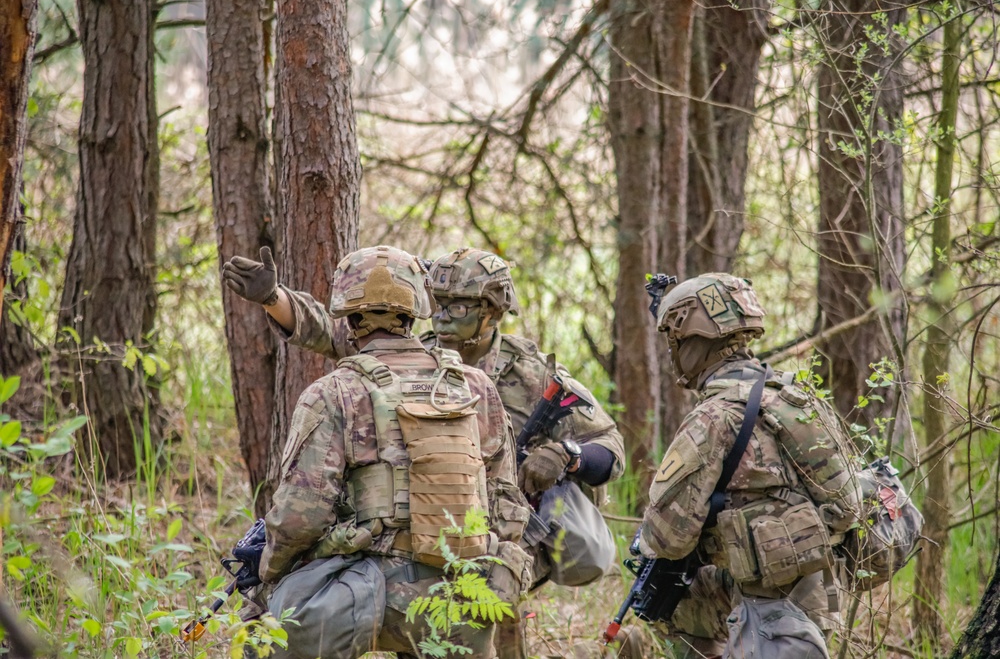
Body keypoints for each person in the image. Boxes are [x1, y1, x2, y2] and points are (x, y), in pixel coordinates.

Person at [224, 246, 626, 658]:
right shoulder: (430, 357)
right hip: (447, 564)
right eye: (440, 304)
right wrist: (275, 298)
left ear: (492, 310)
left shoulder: (531, 372)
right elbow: (333, 329)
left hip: (476, 550)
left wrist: (565, 454)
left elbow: (608, 447)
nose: (445, 315)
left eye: (459, 306)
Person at [256, 246, 531, 658]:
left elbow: (300, 515)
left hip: (371, 597)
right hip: (467, 593)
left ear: (348, 320)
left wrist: (269, 579)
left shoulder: (334, 393)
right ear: (417, 311)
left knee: (269, 636)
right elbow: (505, 500)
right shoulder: (475, 386)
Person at [638, 273, 863, 659]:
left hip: (766, 610)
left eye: (674, 341)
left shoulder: (713, 417)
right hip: (825, 594)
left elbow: (665, 540)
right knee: (676, 597)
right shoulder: (798, 399)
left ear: (692, 342)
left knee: (661, 594)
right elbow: (849, 504)